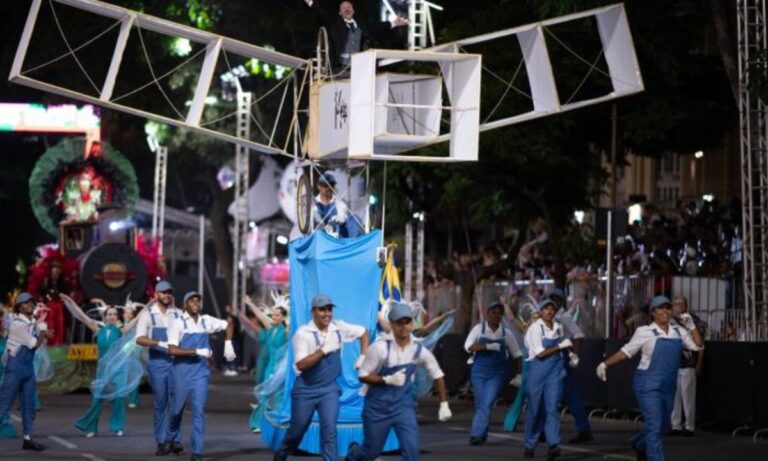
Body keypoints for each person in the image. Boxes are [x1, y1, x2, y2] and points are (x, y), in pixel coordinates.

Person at [596, 295, 704, 461]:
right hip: (647, 384)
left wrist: (692, 326)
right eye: (660, 308)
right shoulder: (644, 332)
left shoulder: (679, 332)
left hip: (668, 385)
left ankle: (640, 443)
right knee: (654, 426)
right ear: (653, 313)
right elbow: (625, 352)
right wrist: (605, 364)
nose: (665, 311)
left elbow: (698, 346)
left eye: (668, 308)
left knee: (664, 426)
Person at [346, 301, 452, 461]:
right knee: (370, 452)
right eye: (399, 323)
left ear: (412, 324)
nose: (404, 326)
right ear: (392, 325)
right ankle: (354, 453)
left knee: (412, 452)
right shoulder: (380, 348)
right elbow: (363, 375)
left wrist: (444, 403)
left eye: (407, 322)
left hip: (403, 408)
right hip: (377, 409)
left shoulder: (418, 350)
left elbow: (437, 374)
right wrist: (387, 379)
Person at [273, 293, 369, 461]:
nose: (327, 313)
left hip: (329, 388)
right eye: (322, 310)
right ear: (313, 312)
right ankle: (281, 454)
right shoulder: (303, 334)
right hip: (306, 389)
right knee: (297, 431)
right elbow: (301, 364)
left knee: (329, 430)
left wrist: (363, 356)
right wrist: (323, 351)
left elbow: (363, 332)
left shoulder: (338, 328)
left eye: (329, 309)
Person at [166, 292, 236, 461]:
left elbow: (229, 324)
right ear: (185, 305)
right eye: (192, 300)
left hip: (200, 372)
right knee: (176, 410)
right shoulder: (178, 323)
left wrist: (228, 343)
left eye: (198, 300)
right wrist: (197, 351)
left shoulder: (206, 320)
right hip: (181, 370)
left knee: (198, 411)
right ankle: (173, 437)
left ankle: (197, 451)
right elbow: (172, 350)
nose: (196, 302)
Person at [65, 296, 139, 437]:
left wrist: (148, 305)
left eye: (114, 315)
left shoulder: (121, 331)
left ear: (117, 317)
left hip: (117, 370)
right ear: (105, 317)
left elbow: (136, 320)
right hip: (103, 371)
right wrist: (70, 301)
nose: (112, 317)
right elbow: (81, 315)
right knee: (97, 399)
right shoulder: (98, 330)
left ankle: (117, 426)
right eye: (109, 314)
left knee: (118, 399)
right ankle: (91, 428)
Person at [0, 293, 54, 451]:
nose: (30, 305)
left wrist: (39, 326)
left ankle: (28, 439)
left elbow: (33, 326)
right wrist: (43, 330)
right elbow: (34, 345)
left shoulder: (30, 322)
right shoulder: (17, 324)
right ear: (19, 307)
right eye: (25, 303)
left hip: (27, 368)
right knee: (4, 405)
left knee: (29, 405)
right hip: (15, 368)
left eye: (31, 302)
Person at [135, 281, 184, 456]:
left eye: (169, 292)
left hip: (176, 362)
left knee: (176, 402)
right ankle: (162, 441)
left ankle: (175, 439)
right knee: (161, 403)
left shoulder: (178, 313)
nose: (167, 295)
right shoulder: (148, 315)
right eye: (163, 292)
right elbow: (139, 338)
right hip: (157, 363)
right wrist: (159, 343)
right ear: (156, 294)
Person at [464, 300, 522, 445]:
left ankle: (476, 434)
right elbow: (468, 346)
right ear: (487, 313)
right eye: (493, 312)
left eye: (499, 313)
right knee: (481, 403)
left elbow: (517, 354)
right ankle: (482, 433)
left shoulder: (506, 334)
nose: (496, 315)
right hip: (478, 372)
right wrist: (487, 346)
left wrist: (519, 374)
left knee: (487, 402)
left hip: (497, 374)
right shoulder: (479, 329)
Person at [522, 299, 572, 460]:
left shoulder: (559, 327)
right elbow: (540, 353)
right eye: (546, 309)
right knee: (535, 410)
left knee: (552, 409)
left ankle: (553, 444)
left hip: (554, 373)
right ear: (540, 311)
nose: (550, 311)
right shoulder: (535, 329)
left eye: (552, 309)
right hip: (538, 372)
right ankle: (530, 445)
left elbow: (563, 346)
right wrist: (560, 346)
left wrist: (570, 353)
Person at [303, 0, 408, 73]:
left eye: (349, 7)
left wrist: (394, 23)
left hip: (363, 66)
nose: (347, 9)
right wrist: (310, 2)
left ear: (353, 11)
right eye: (344, 8)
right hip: (342, 68)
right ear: (340, 13)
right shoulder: (336, 25)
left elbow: (378, 26)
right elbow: (323, 14)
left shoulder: (362, 24)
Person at [547, 288, 593, 443]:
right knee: (560, 395)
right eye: (552, 298)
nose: (553, 302)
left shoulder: (564, 317)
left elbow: (579, 335)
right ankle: (583, 429)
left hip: (561, 358)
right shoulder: (549, 316)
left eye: (557, 299)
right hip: (549, 358)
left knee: (568, 395)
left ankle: (583, 430)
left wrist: (575, 354)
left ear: (561, 302)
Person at [242, 294, 289, 433]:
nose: (273, 317)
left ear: (283, 317)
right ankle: (258, 423)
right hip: (270, 366)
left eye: (276, 315)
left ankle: (280, 424)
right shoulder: (271, 328)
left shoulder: (285, 331)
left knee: (279, 396)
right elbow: (261, 316)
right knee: (265, 395)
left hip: (281, 368)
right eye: (272, 315)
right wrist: (250, 304)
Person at [669, 296, 703, 436]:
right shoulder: (669, 322)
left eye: (682, 304)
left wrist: (699, 364)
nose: (679, 306)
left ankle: (689, 426)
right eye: (676, 304)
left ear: (686, 305)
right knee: (674, 397)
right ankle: (675, 425)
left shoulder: (692, 321)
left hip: (688, 364)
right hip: (673, 364)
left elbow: (701, 344)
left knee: (688, 397)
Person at [312, 172, 362, 238]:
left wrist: (339, 219)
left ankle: (354, 243)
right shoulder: (314, 203)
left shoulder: (339, 201)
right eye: (325, 185)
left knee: (354, 219)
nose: (329, 188)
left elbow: (343, 214)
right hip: (320, 236)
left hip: (337, 236)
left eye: (331, 184)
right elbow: (312, 219)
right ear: (318, 186)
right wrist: (321, 223)